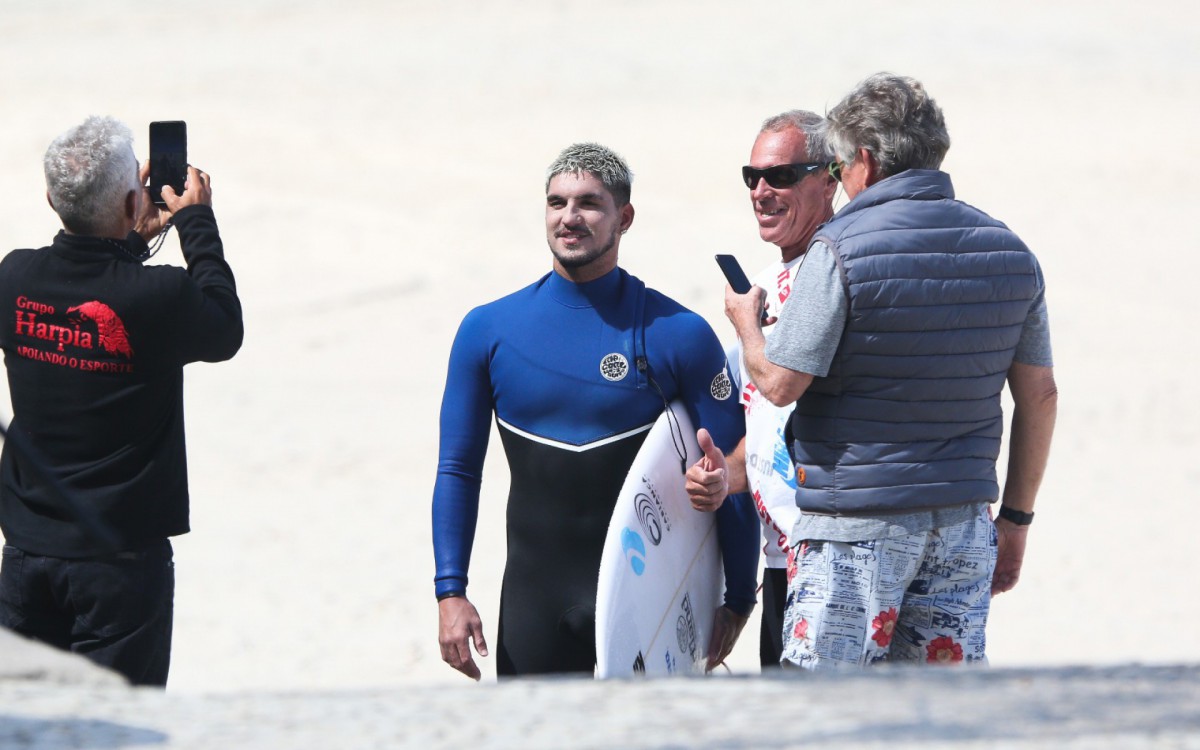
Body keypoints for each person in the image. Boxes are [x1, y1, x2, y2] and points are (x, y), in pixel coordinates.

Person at [722, 74, 1057, 669]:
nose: (842, 180)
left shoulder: (840, 248)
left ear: (867, 163)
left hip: (854, 528)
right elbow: (1041, 398)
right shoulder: (1010, 250)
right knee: (936, 722)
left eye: (844, 165)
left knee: (821, 721)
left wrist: (748, 325)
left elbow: (778, 383)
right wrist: (1017, 519)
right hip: (961, 527)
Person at [432, 143, 758, 679]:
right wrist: (451, 591)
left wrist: (740, 598)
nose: (569, 217)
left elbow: (729, 471)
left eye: (589, 203)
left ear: (623, 217)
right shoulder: (488, 332)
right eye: (556, 202)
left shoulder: (677, 335)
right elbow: (458, 470)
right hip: (534, 605)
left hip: (645, 606)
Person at [0, 116, 243, 686]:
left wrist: (127, 240)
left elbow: (89, 285)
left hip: (27, 553)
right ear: (135, 197)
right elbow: (224, 328)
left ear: (50, 199)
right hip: (118, 563)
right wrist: (195, 222)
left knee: (25, 731)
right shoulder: (157, 295)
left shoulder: (14, 279)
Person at [726, 110, 836, 667]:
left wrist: (747, 328)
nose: (762, 192)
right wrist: (726, 475)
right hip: (779, 557)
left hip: (834, 553)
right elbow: (768, 424)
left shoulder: (839, 267)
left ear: (831, 179)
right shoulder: (765, 285)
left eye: (782, 176)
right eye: (752, 177)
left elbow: (782, 386)